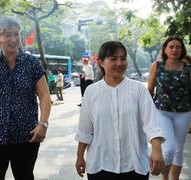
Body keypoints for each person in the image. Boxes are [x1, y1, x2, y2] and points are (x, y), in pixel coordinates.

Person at [0, 15, 51, 180]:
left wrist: (43, 123)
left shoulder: (31, 63)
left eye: (16, 34)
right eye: (7, 34)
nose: (13, 39)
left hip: (25, 136)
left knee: (25, 176)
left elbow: (44, 95)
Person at [75, 40, 165, 180]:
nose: (119, 63)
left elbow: (152, 123)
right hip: (100, 164)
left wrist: (157, 150)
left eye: (123, 58)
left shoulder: (138, 90)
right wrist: (80, 156)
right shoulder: (91, 92)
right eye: (113, 59)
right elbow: (85, 129)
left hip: (134, 165)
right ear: (101, 62)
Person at [147, 36, 191, 180]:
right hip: (162, 112)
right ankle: (164, 178)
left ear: (182, 50)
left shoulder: (188, 68)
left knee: (178, 150)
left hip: (184, 113)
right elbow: (150, 89)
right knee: (169, 148)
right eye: (171, 46)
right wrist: (146, 112)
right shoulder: (157, 66)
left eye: (178, 47)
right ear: (165, 49)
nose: (174, 50)